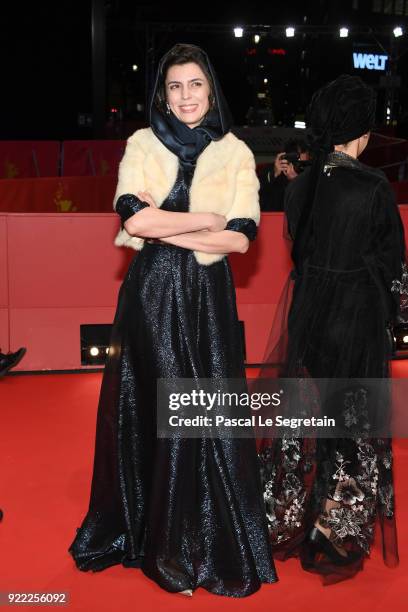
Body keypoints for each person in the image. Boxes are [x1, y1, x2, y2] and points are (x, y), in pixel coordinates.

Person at [68, 43, 277, 597]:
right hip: (154, 296)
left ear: (211, 90)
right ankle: (163, 548)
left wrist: (173, 224)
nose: (185, 97)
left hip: (207, 299)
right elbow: (133, 221)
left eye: (195, 85)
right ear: (163, 93)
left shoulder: (234, 152)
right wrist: (204, 218)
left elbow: (240, 235)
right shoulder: (142, 144)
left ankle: (201, 543)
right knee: (164, 410)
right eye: (175, 87)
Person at [257, 75, 406, 584]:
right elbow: (392, 265)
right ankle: (335, 534)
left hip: (309, 318)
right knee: (351, 426)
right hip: (355, 322)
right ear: (362, 133)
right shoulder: (373, 186)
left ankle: (286, 519)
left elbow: (300, 252)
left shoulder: (301, 186)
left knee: (305, 421)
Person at [259, 138, 310, 212]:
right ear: (287, 159)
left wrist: (297, 182)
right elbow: (263, 206)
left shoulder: (309, 177)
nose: (301, 167)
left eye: (305, 164)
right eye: (299, 164)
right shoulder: (272, 176)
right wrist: (274, 175)